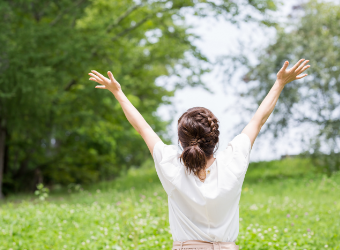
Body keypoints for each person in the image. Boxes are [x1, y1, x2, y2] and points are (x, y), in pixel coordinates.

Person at [88, 59, 310, 249]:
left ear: (180, 140)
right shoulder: (232, 162)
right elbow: (257, 120)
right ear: (215, 139)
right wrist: (280, 83)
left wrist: (117, 92)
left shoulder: (171, 166)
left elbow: (143, 128)